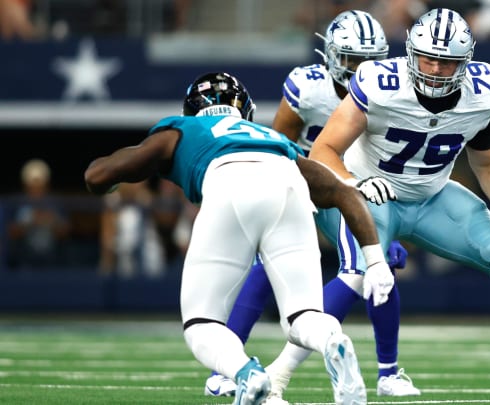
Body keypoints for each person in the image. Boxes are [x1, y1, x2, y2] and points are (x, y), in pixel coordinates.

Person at [266, 8, 490, 405]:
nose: (435, 69)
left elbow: (487, 160)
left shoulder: (483, 92)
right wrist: (357, 183)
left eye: (447, 61)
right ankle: (276, 376)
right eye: (428, 58)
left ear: (465, 63)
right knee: (361, 272)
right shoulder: (379, 84)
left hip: (431, 195)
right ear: (411, 53)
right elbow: (324, 150)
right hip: (370, 192)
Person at [83, 71, 397, 405]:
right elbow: (343, 193)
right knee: (302, 317)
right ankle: (331, 338)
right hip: (288, 183)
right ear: (245, 109)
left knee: (201, 324)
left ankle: (247, 375)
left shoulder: (181, 128)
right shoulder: (269, 136)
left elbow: (97, 174)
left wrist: (110, 183)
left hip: (228, 180)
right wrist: (375, 260)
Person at [203, 10, 421, 401]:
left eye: (371, 61)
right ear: (332, 56)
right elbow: (275, 143)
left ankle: (388, 371)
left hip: (352, 188)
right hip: (303, 181)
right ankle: (227, 365)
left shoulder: (392, 92)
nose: (361, 71)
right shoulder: (308, 87)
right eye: (353, 61)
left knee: (379, 265)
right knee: (268, 263)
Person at [6, 158, 70, 269]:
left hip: (52, 263)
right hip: (23, 263)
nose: (36, 189)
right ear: (26, 184)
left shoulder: (55, 203)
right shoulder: (16, 203)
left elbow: (66, 232)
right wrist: (29, 221)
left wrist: (51, 221)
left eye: (40, 184)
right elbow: (10, 233)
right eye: (33, 185)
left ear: (46, 184)